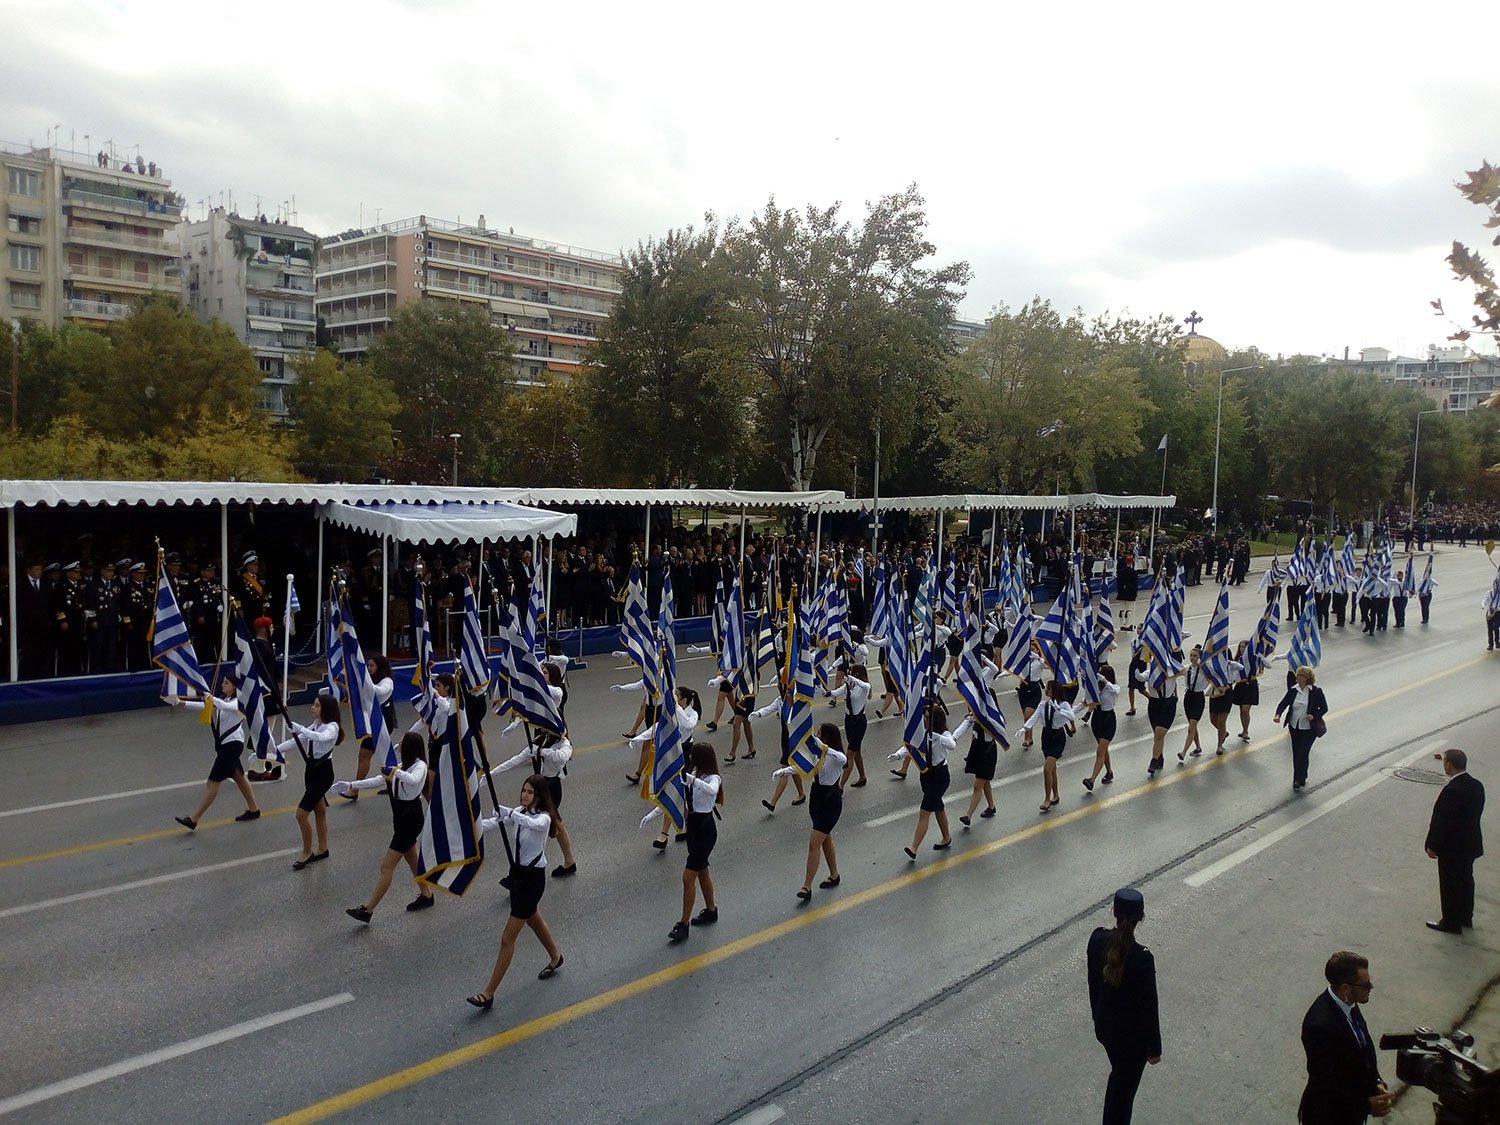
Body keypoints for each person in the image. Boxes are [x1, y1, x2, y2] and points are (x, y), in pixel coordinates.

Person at [467, 774, 565, 1007]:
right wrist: (469, 828)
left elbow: (531, 824)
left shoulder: (544, 818)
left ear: (539, 795)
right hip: (518, 878)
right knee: (534, 919)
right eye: (524, 790)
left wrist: (510, 813)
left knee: (507, 938)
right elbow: (493, 824)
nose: (525, 795)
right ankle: (556, 957)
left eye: (530, 792)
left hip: (532, 881)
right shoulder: (521, 812)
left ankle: (488, 993)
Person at [334, 732, 434, 921]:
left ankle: (368, 910)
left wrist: (394, 771)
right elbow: (379, 780)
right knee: (412, 859)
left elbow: (412, 780)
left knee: (386, 867)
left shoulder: (419, 766)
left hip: (410, 819)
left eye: (402, 743)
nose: (398, 745)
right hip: (400, 818)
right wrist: (351, 784)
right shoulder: (400, 766)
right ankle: (427, 894)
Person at [1086, 887, 1161, 1125]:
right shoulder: (1142, 959)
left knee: (1119, 1080)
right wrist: (1154, 1048)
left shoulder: (1097, 940)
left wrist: (1097, 1019)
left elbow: (1093, 985)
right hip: (1132, 1044)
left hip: (1106, 1031)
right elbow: (1149, 1007)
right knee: (1123, 1094)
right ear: (1141, 918)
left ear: (1114, 912)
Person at [1298, 951, 1391, 1123]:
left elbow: (1363, 1050)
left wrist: (1376, 1083)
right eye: (1365, 985)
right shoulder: (1319, 1026)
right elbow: (1325, 1086)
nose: (1371, 988)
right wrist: (1366, 1105)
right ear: (1345, 988)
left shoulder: (1349, 1004)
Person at [171, 674, 261, 828]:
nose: (222, 685)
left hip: (232, 745)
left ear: (234, 686)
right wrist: (181, 702)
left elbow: (224, 707)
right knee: (239, 777)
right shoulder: (222, 700)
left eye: (226, 683)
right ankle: (254, 809)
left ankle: (194, 819)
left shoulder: (239, 701)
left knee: (212, 782)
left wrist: (211, 698)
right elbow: (206, 706)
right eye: (223, 682)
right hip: (226, 745)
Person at [776, 723, 846, 901]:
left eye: (819, 734)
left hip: (831, 801)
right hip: (816, 799)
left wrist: (822, 747)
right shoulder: (817, 755)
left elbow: (842, 758)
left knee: (814, 844)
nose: (816, 736)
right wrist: (784, 770)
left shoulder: (836, 757)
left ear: (827, 738)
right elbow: (802, 768)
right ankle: (834, 874)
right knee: (825, 838)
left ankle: (806, 886)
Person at [276, 692, 344, 869]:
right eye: (313, 704)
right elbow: (296, 741)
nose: (312, 708)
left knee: (301, 814)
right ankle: (323, 848)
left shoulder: (332, 727)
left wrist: (301, 729)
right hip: (311, 771)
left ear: (326, 709)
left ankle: (307, 852)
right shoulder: (315, 725)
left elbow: (321, 738)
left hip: (323, 773)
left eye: (316, 705)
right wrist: (272, 752)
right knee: (319, 811)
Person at [1424, 748, 1485, 934]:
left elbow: (1443, 821)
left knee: (1450, 884)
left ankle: (1451, 922)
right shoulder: (1476, 785)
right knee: (1466, 880)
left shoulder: (1452, 790)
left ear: (1449, 764)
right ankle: (1466, 917)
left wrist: (1432, 845)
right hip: (1470, 844)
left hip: (1452, 848)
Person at [667, 744, 723, 943]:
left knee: (688, 877)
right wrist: (656, 812)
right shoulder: (693, 772)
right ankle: (711, 910)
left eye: (693, 755)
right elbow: (681, 798)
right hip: (693, 828)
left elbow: (711, 790)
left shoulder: (712, 778)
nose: (690, 757)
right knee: (702, 871)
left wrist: (692, 780)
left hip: (706, 830)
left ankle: (683, 924)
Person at [893, 707, 960, 858]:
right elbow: (911, 747)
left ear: (934, 720)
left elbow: (952, 745)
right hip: (926, 775)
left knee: (925, 811)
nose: (924, 719)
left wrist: (934, 735)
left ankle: (914, 847)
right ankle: (946, 837)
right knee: (938, 807)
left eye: (927, 717)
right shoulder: (922, 734)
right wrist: (897, 755)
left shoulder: (944, 734)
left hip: (940, 777)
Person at [340, 654, 397, 802]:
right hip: (372, 722)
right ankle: (392, 782)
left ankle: (354, 789)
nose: (369, 668)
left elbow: (379, 691)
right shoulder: (370, 680)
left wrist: (362, 681)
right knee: (381, 755)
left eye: (372, 666)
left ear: (380, 667)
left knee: (365, 755)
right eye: (368, 666)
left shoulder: (387, 681)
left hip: (382, 722)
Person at [1022, 680, 1076, 813]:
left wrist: (1059, 709)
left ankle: (1047, 799)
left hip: (1058, 737)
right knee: (1052, 770)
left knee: (1047, 769)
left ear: (1054, 690)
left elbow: (1072, 715)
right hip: (1046, 736)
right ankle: (1056, 794)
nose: (1046, 690)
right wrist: (1025, 728)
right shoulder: (1043, 704)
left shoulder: (1064, 704)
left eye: (1048, 688)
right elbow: (1034, 718)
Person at [1274, 665, 1328, 792]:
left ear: (1306, 678)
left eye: (1300, 675)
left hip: (1309, 729)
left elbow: (1324, 708)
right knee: (1297, 752)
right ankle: (1298, 779)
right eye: (1297, 674)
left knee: (1303, 752)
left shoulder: (1316, 691)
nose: (1297, 677)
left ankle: (1300, 777)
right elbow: (1283, 703)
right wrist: (1278, 715)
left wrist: (1313, 715)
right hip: (1295, 726)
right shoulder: (1293, 690)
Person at [1082, 663, 1120, 791]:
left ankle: (1091, 780)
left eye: (1102, 674)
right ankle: (1109, 772)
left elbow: (1115, 690)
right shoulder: (1096, 688)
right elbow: (1087, 699)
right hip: (1097, 718)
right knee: (1103, 750)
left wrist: (1104, 680)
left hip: (1109, 719)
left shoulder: (1113, 687)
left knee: (1100, 751)